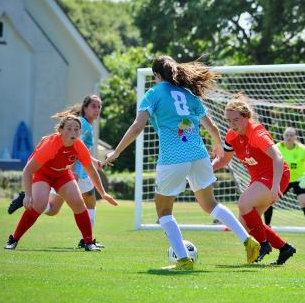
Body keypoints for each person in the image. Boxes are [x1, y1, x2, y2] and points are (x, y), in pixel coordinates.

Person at [104, 55, 260, 270]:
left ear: (157, 75)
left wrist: (116, 152)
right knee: (210, 204)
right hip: (199, 155)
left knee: (164, 212)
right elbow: (213, 127)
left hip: (173, 159)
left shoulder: (153, 94)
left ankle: (183, 259)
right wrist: (217, 146)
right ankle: (248, 241)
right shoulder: (189, 94)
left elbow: (137, 127)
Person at [4, 114, 118, 251]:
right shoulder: (51, 145)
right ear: (61, 130)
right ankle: (14, 239)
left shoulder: (79, 146)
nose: (73, 132)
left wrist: (103, 193)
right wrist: (28, 195)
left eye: (76, 129)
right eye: (69, 128)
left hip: (62, 174)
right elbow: (28, 170)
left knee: (78, 203)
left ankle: (89, 242)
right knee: (39, 205)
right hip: (43, 173)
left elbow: (92, 171)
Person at [212, 94, 297, 265]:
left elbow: (278, 158)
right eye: (229, 120)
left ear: (247, 117)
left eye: (236, 120)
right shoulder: (231, 136)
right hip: (260, 178)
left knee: (243, 203)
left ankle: (263, 245)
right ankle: (284, 248)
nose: (232, 124)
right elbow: (223, 161)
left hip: (276, 175)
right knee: (245, 222)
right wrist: (204, 168)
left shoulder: (256, 133)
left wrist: (274, 188)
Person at [264, 127, 305, 237]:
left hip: (299, 179)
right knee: (270, 200)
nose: (289, 137)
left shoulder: (302, 149)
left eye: (291, 135)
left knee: (304, 202)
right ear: (283, 136)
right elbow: (268, 160)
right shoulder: (277, 148)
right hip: (283, 178)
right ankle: (267, 227)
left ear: (295, 137)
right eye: (287, 135)